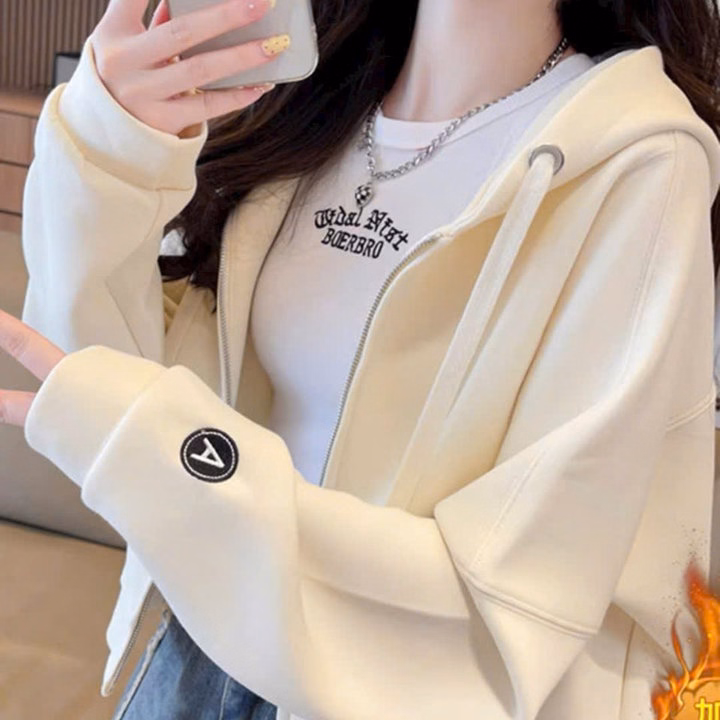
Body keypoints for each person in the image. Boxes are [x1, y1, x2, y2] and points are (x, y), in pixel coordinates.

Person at [1, 0, 719, 717]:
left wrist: (177, 463)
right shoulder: (299, 112)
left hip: (398, 693)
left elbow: (520, 607)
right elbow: (104, 386)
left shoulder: (642, 163)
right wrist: (110, 147)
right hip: (191, 650)